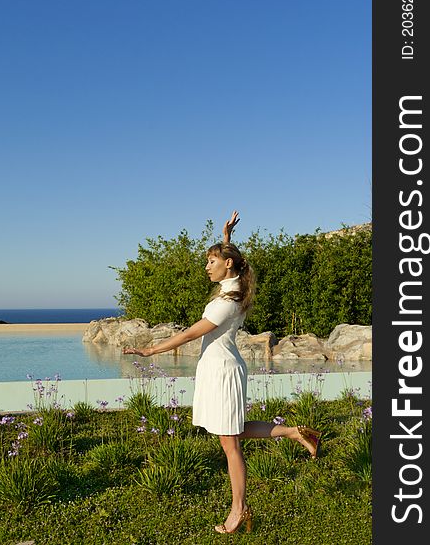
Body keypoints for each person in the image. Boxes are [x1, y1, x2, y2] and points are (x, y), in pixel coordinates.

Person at [123, 211, 321, 535]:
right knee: (234, 431)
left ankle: (239, 511)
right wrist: (226, 239)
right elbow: (234, 265)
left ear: (226, 265)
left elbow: (189, 334)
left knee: (231, 444)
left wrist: (150, 350)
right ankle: (296, 433)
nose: (206, 266)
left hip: (223, 372)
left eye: (211, 261)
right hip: (217, 370)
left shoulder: (226, 303)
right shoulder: (234, 288)